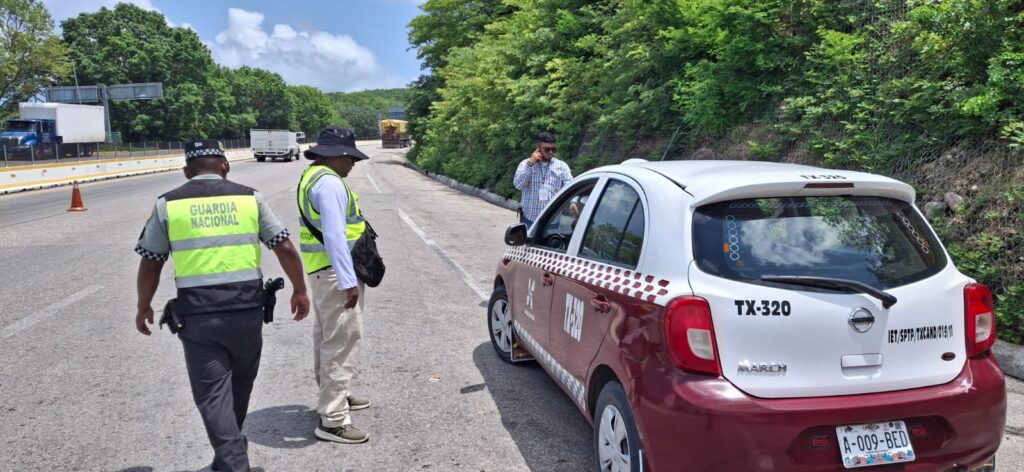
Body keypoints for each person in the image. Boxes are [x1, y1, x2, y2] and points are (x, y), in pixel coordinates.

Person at [134, 139, 310, 472]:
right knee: (240, 384)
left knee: (213, 395)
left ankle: (233, 463)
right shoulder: (250, 198)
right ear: (225, 166)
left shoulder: (167, 204)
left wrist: (143, 306)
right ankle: (225, 459)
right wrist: (300, 290)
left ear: (187, 171)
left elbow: (151, 263)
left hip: (200, 318)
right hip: (247, 312)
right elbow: (284, 247)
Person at [297, 126, 373, 444]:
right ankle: (333, 419)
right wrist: (348, 282)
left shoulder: (312, 175)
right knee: (342, 341)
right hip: (334, 274)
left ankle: (335, 396)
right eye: (350, 158)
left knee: (327, 337)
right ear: (338, 155)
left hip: (321, 272)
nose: (353, 164)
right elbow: (334, 235)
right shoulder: (329, 183)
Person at [513, 131, 573, 227]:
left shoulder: (562, 166)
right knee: (529, 242)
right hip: (530, 219)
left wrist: (573, 202)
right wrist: (530, 164)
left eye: (553, 149)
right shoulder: (525, 164)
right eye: (547, 149)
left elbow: (570, 186)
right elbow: (518, 185)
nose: (550, 152)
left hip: (552, 219)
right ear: (538, 148)